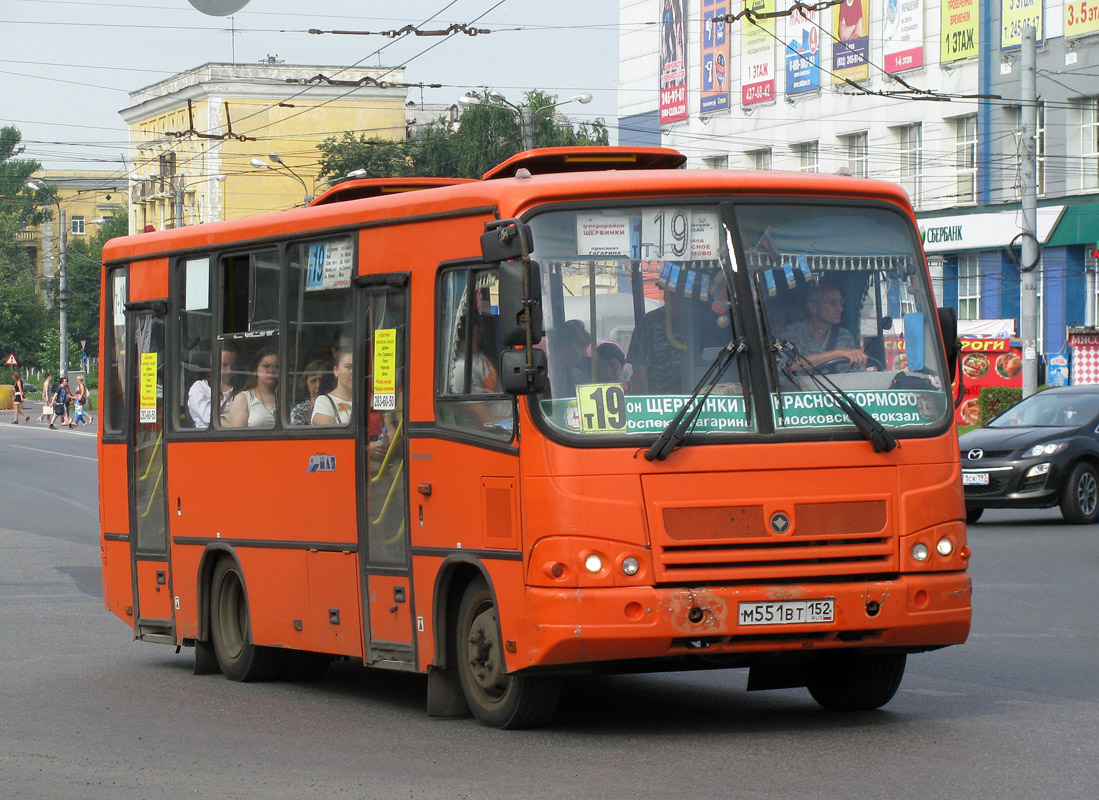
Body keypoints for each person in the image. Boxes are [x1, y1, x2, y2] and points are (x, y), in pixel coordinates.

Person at [779, 282, 867, 368]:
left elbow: (852, 372)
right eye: (833, 303)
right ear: (813, 307)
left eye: (840, 302)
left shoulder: (844, 336)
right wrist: (838, 353)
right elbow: (790, 365)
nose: (840, 308)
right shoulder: (793, 332)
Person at [450, 314, 510, 428]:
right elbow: (486, 422)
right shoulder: (461, 369)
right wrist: (520, 421)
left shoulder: (479, 354)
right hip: (490, 436)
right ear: (476, 329)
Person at [188, 345, 238, 428]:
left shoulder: (242, 388)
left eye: (233, 366)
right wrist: (237, 429)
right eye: (224, 365)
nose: (229, 371)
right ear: (213, 362)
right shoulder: (200, 388)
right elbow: (210, 419)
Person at [228, 347, 278, 429]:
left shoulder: (287, 398)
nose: (271, 371)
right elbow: (239, 436)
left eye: (277, 367)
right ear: (256, 369)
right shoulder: (243, 398)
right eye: (266, 366)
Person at [548, 319, 591, 399]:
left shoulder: (578, 376)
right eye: (581, 347)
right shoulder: (541, 373)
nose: (584, 354)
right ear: (564, 345)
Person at [312, 349, 353, 426]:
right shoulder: (324, 402)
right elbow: (329, 433)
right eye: (348, 367)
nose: (353, 371)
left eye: (358, 367)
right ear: (336, 370)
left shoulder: (368, 400)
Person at [290, 359, 329, 425]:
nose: (318, 385)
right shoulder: (299, 411)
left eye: (322, 380)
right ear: (306, 384)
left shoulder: (338, 405)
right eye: (313, 381)